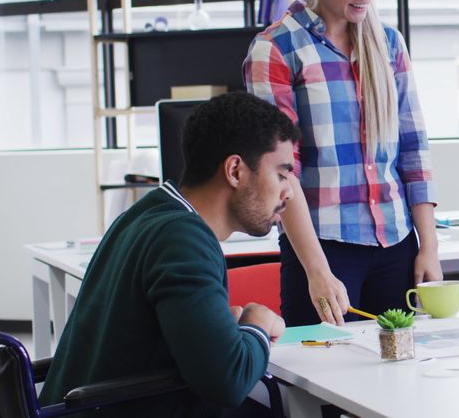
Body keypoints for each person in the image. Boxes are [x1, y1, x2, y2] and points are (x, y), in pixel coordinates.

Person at [244, 0, 440, 327]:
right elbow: (281, 173)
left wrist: (430, 248)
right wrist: (316, 271)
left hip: (397, 244)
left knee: (399, 377)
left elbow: (413, 150)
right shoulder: (277, 49)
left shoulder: (388, 43)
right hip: (323, 248)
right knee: (324, 380)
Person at [39, 92, 292, 416]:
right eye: (281, 175)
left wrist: (223, 332)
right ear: (235, 171)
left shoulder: (150, 211)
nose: (289, 192)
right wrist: (256, 326)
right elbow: (228, 381)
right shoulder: (184, 239)